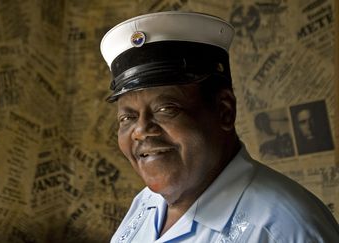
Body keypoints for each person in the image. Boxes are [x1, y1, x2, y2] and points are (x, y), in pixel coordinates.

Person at [100, 12, 339, 242]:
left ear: (224, 111)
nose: (140, 130)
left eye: (166, 109)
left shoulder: (283, 230)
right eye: (127, 118)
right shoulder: (147, 204)